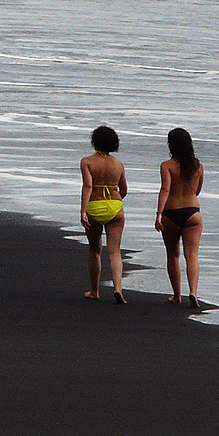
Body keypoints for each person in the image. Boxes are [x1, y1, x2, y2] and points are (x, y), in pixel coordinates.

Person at [155, 127, 204, 308]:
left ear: (171, 145)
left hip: (171, 213)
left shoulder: (166, 166)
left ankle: (177, 295)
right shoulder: (197, 166)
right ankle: (193, 291)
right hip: (192, 213)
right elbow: (197, 190)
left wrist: (159, 214)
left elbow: (165, 189)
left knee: (173, 254)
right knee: (192, 255)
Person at [80, 125, 128, 304]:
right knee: (115, 251)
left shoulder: (87, 162)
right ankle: (118, 289)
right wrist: (116, 201)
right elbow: (124, 189)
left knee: (95, 250)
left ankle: (95, 291)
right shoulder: (118, 164)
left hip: (94, 205)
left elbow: (88, 186)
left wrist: (83, 210)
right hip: (115, 206)